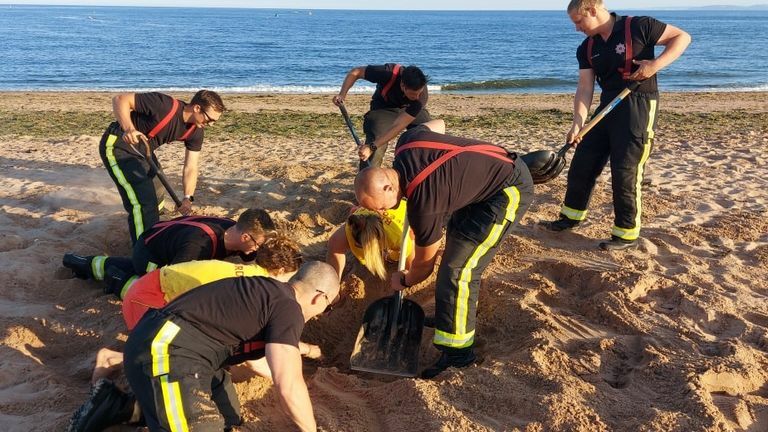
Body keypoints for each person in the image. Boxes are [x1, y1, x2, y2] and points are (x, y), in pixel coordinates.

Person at [354, 119, 534, 378]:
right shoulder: (406, 144)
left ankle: (459, 354)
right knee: (454, 254)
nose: (381, 213)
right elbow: (437, 124)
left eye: (379, 206)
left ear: (389, 186)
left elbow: (425, 266)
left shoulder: (424, 205)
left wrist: (404, 280)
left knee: (459, 270)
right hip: (478, 187)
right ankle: (448, 318)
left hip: (506, 190)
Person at [68, 261, 340, 432]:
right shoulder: (288, 308)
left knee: (228, 417)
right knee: (200, 426)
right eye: (328, 308)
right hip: (167, 352)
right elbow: (288, 382)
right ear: (319, 298)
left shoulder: (267, 292)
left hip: (184, 352)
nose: (321, 312)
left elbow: (261, 360)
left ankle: (118, 407)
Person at [543, 0, 690, 250]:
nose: (576, 28)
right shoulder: (587, 47)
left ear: (592, 10)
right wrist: (578, 124)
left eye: (578, 21)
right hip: (608, 106)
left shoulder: (639, 26)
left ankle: (626, 233)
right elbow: (585, 87)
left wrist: (654, 65)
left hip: (638, 105)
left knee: (625, 172)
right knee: (583, 162)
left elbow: (682, 37)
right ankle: (570, 218)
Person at [101, 89, 225, 244]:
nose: (211, 125)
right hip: (118, 145)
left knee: (158, 187)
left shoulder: (196, 131)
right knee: (143, 203)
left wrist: (188, 198)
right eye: (210, 119)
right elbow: (120, 99)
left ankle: (153, 221)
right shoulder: (163, 105)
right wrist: (129, 128)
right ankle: (142, 246)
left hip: (143, 150)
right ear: (197, 108)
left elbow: (191, 166)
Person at [62, 208, 275, 297]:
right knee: (158, 291)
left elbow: (253, 256)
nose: (258, 249)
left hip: (167, 242)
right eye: (258, 244)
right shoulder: (198, 245)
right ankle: (117, 280)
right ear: (245, 237)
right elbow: (175, 279)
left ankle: (83, 263)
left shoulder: (233, 228)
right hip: (149, 251)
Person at [333, 63, 432, 168]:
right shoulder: (387, 73)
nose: (417, 97)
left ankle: (423, 171)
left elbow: (399, 125)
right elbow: (356, 72)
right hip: (384, 107)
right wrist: (342, 94)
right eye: (413, 94)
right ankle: (368, 175)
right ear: (402, 85)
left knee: (427, 133)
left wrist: (372, 147)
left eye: (418, 93)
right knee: (378, 138)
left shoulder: (420, 97)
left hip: (409, 110)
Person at [326, 198, 414, 281]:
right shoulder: (353, 224)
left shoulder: (397, 238)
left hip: (405, 209)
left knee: (395, 258)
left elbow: (410, 258)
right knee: (335, 243)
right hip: (375, 208)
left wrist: (405, 278)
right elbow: (352, 211)